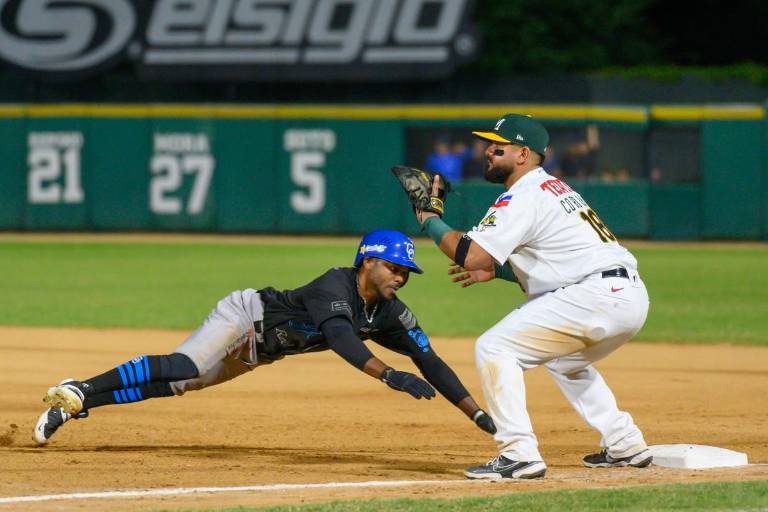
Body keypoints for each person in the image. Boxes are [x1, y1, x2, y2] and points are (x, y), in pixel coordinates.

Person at [34, 230, 496, 445]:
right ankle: (82, 387)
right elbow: (339, 337)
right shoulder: (334, 285)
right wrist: (388, 374)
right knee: (187, 366)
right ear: (366, 262)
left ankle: (78, 403)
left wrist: (477, 414)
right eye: (394, 266)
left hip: (262, 350)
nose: (401, 276)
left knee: (178, 386)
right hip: (244, 315)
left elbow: (430, 360)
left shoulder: (389, 313)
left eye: (406, 271)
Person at [413, 113, 651, 480]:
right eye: (488, 144)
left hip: (594, 294)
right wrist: (499, 270)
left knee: (495, 348)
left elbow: (471, 254)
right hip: (627, 297)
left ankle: (518, 453)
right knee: (565, 361)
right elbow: (555, 262)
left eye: (498, 146)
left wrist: (429, 218)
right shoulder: (554, 189)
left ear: (523, 154)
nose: (488, 151)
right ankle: (624, 442)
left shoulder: (523, 195)